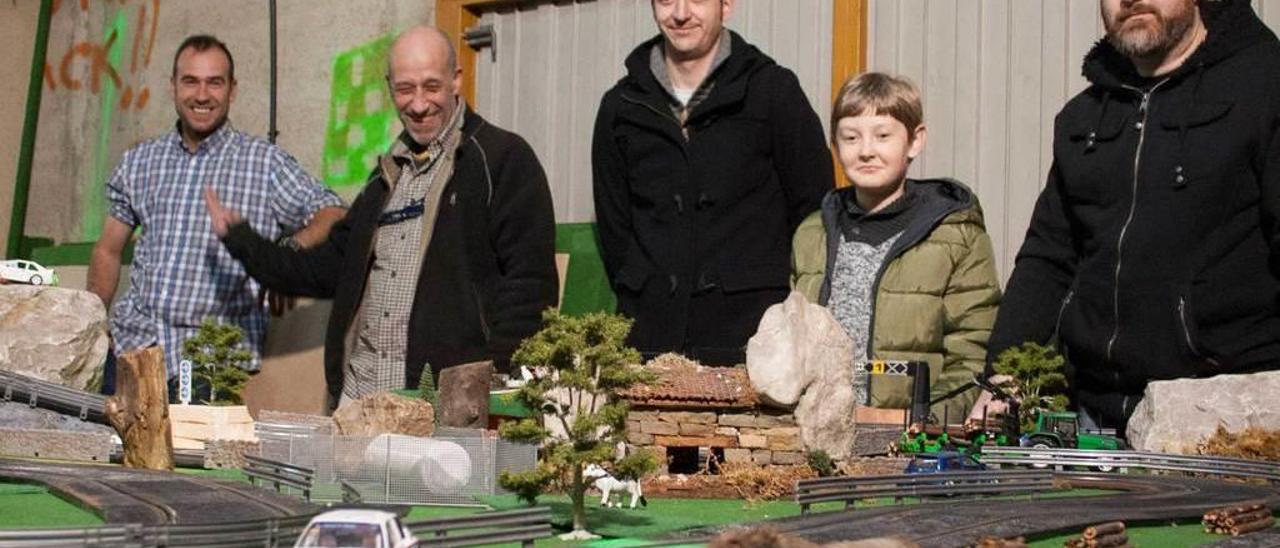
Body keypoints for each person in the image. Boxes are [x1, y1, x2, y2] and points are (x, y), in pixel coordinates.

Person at [206, 25, 558, 409]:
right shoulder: (383, 181)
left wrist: (489, 392)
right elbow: (324, 269)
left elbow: (530, 289)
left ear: (457, 80)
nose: (419, 104)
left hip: (441, 409)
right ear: (389, 86)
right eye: (405, 89)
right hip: (359, 404)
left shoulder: (502, 160)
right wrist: (241, 240)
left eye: (432, 86)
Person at [988, 0, 1280, 432]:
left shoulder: (1263, 87)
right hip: (1091, 416)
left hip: (1224, 418)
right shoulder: (1083, 117)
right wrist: (1003, 380)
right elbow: (1048, 258)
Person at [88, 34, 345, 382]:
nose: (202, 95)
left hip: (211, 360)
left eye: (215, 83)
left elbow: (333, 212)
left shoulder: (263, 163)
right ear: (173, 86)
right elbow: (107, 249)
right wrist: (90, 328)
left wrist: (283, 258)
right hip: (132, 349)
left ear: (232, 90)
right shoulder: (139, 162)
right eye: (190, 81)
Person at [592, 0, 832, 365]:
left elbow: (812, 211)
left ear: (727, 5)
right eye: (667, 0)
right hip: (650, 335)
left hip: (751, 336)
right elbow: (615, 226)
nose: (681, 13)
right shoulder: (620, 106)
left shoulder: (773, 91)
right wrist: (646, 287)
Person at [792, 72, 1001, 422]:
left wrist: (916, 421)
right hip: (818, 433)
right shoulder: (812, 234)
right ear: (835, 144)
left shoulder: (956, 236)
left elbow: (971, 352)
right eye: (851, 137)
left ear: (915, 141)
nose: (866, 150)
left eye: (883, 136)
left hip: (911, 440)